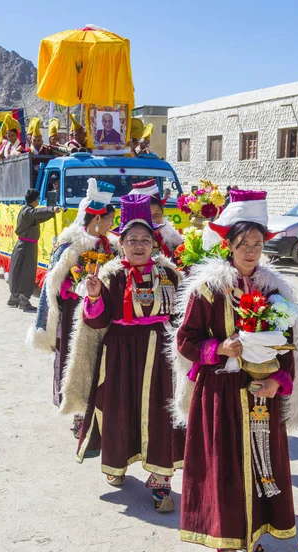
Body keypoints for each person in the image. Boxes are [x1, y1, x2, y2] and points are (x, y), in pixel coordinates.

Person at [173, 189, 298, 552]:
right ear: (228, 245)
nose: (250, 251)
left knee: (259, 468)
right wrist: (220, 349)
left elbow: (289, 348)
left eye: (257, 244)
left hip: (260, 399)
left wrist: (277, 383)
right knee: (225, 470)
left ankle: (251, 538)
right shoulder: (208, 290)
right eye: (242, 243)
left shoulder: (277, 292)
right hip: (220, 394)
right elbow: (186, 341)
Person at [61, 193, 185, 512]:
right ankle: (118, 466)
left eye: (146, 238)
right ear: (122, 242)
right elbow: (98, 320)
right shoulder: (111, 274)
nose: (140, 245)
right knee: (119, 412)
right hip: (119, 357)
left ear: (154, 243)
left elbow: (182, 316)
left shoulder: (169, 274)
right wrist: (93, 297)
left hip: (161, 359)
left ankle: (160, 482)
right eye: (132, 239)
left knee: (161, 417)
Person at [29, 179, 118, 437]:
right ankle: (79, 411)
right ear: (97, 218)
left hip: (104, 311)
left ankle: (101, 409)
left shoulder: (108, 245)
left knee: (102, 359)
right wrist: (76, 287)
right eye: (109, 220)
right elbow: (55, 282)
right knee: (78, 359)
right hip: (75, 314)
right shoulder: (71, 245)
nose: (112, 225)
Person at [8, 188, 60, 311]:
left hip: (25, 245)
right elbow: (36, 214)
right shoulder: (28, 212)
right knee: (26, 272)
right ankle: (23, 300)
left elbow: (39, 217)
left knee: (19, 271)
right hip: (26, 246)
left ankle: (14, 298)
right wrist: (51, 209)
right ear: (35, 200)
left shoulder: (26, 211)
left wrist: (51, 212)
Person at [130, 179, 183, 258]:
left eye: (157, 214)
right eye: (148, 215)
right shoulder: (129, 243)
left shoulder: (171, 238)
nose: (153, 220)